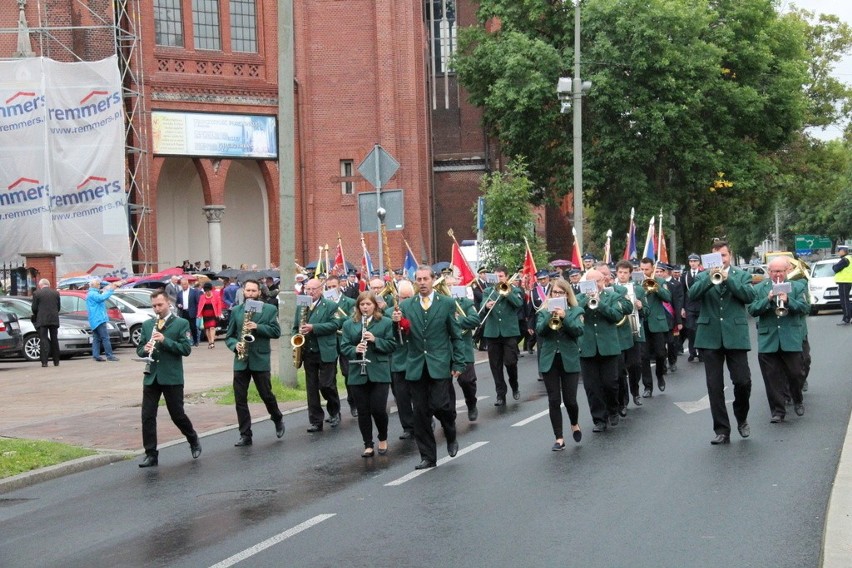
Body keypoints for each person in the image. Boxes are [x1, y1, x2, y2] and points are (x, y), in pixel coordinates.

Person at [393, 265, 465, 470]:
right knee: (421, 414)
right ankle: (428, 456)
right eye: (419, 279)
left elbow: (455, 335)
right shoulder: (407, 306)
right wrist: (396, 324)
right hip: (416, 365)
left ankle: (450, 433)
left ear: (433, 280)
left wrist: (458, 362)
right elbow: (400, 337)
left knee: (442, 406)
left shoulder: (447, 304)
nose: (422, 282)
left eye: (426, 279)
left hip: (440, 363)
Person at [688, 239, 756, 445]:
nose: (720, 260)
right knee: (714, 386)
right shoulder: (702, 276)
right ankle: (722, 430)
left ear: (730, 256)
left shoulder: (742, 275)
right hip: (709, 336)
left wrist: (727, 279)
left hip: (735, 334)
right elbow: (693, 295)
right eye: (715, 257)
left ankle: (741, 417)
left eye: (723, 256)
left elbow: (749, 296)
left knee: (743, 381)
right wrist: (710, 277)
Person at [136, 290, 201, 467]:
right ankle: (151, 454)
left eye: (160, 305)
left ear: (168, 304)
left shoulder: (181, 323)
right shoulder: (149, 324)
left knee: (177, 415)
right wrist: (145, 349)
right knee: (147, 416)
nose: (157, 309)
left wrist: (165, 340)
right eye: (154, 306)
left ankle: (192, 438)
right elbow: (140, 348)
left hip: (172, 376)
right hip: (152, 376)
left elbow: (186, 349)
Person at [747, 257, 810, 422]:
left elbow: (805, 308)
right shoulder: (760, 288)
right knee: (771, 377)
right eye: (774, 271)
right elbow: (752, 310)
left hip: (790, 337)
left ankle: (797, 399)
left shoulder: (797, 286)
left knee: (796, 373)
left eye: (780, 271)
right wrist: (767, 299)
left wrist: (788, 300)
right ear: (769, 272)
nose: (777, 274)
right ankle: (778, 411)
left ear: (787, 271)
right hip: (768, 339)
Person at [224, 280, 285, 446]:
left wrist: (258, 326)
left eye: (253, 291)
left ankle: (277, 417)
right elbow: (229, 336)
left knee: (266, 395)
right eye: (248, 290)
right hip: (241, 359)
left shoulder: (270, 309)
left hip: (260, 359)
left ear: (259, 292)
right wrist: (234, 345)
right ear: (243, 292)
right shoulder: (236, 310)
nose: (250, 294)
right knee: (240, 399)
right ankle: (245, 434)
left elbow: (276, 332)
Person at [340, 292, 397, 457]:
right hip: (358, 372)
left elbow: (392, 345)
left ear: (375, 305)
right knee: (363, 411)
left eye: (368, 304)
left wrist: (375, 340)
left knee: (378, 409)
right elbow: (344, 346)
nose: (365, 307)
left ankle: (383, 438)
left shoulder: (385, 322)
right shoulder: (349, 324)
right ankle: (368, 444)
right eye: (362, 305)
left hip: (379, 371)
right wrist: (355, 349)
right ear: (358, 307)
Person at [535, 279, 585, 450]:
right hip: (550, 359)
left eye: (560, 293)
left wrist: (565, 317)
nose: (557, 295)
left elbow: (578, 331)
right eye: (554, 292)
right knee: (554, 400)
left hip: (569, 358)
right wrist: (550, 314)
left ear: (567, 294)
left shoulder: (576, 310)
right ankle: (559, 438)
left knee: (570, 400)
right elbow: (540, 331)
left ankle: (574, 423)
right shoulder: (543, 311)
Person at [577, 269, 626, 432]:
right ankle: (599, 419)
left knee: (610, 383)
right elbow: (575, 314)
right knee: (592, 387)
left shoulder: (612, 296)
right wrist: (587, 299)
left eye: (597, 282)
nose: (595, 285)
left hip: (608, 347)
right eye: (591, 282)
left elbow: (617, 316)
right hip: (587, 347)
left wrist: (600, 303)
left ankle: (613, 409)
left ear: (603, 281)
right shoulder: (578, 299)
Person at [294, 278, 343, 432]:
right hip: (308, 351)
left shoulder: (330, 305)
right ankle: (316, 420)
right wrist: (297, 335)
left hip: (326, 351)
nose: (310, 292)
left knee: (326, 384)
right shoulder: (301, 306)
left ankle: (334, 411)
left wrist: (313, 328)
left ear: (321, 290)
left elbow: (336, 324)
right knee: (311, 387)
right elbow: (295, 326)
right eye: (307, 289)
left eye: (313, 289)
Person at [481, 265, 525, 406]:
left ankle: (514, 384)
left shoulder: (514, 290)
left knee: (510, 362)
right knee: (495, 365)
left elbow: (518, 303)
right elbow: (482, 305)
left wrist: (506, 293)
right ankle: (501, 394)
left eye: (501, 276)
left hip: (509, 332)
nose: (498, 279)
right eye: (496, 276)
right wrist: (487, 305)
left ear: (506, 277)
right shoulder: (488, 291)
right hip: (492, 333)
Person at [444, 274, 481, 421]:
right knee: (444, 385)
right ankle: (449, 414)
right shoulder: (441, 303)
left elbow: (475, 319)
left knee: (468, 381)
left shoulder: (465, 302)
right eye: (447, 285)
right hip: (445, 349)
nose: (450, 288)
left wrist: (457, 320)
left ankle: (471, 404)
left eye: (453, 285)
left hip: (463, 347)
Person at [638, 258, 672, 396]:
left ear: (652, 268)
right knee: (644, 356)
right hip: (642, 323)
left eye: (646, 269)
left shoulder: (661, 281)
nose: (644, 272)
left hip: (657, 322)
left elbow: (668, 298)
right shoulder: (636, 283)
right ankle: (648, 386)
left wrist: (655, 287)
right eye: (642, 269)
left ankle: (660, 375)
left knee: (660, 353)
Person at [388, 280, 416, 438]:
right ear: (397, 297)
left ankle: (424, 419)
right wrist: (394, 323)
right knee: (402, 396)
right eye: (402, 298)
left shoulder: (418, 309)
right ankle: (408, 427)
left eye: (408, 297)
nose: (405, 301)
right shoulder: (390, 313)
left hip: (416, 357)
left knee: (420, 394)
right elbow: (388, 335)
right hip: (399, 360)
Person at [86, 278, 120, 362]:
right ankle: (109, 355)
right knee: (105, 338)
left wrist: (110, 284)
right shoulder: (93, 294)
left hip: (94, 319)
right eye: (98, 284)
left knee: (97, 338)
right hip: (99, 318)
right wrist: (111, 289)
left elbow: (104, 285)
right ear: (94, 285)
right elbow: (102, 298)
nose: (99, 286)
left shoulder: (91, 293)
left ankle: (96, 355)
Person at [31, 278, 61, 367]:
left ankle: (44, 362)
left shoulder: (37, 293)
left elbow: (34, 308)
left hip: (42, 319)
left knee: (43, 339)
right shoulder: (56, 293)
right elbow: (58, 307)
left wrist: (37, 314)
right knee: (54, 339)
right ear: (48, 284)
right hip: (54, 319)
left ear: (40, 285)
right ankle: (56, 361)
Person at [680, 253, 703, 362]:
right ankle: (692, 352)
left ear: (699, 262)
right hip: (689, 306)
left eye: (695, 261)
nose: (693, 263)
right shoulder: (684, 275)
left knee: (701, 329)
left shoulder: (704, 274)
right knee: (690, 329)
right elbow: (682, 292)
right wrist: (682, 308)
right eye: (691, 261)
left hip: (701, 306)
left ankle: (702, 352)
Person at [175, 277, 201, 347]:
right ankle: (187, 341)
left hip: (192, 312)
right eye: (182, 285)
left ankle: (195, 341)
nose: (184, 286)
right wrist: (178, 305)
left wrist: (198, 312)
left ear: (188, 284)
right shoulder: (179, 293)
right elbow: (176, 303)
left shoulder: (194, 292)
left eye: (185, 284)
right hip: (183, 312)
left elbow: (197, 302)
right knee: (185, 328)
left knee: (193, 327)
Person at [196, 281, 223, 348]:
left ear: (211, 290)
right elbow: (199, 306)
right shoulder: (202, 297)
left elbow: (219, 304)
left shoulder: (216, 295)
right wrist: (199, 314)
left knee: (212, 327)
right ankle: (210, 341)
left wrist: (219, 313)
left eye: (208, 291)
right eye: (206, 291)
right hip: (205, 314)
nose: (207, 292)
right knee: (207, 329)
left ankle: (212, 342)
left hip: (213, 314)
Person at [832, 245, 852, 325]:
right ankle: (848, 317)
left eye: (839, 250)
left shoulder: (845, 260)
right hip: (847, 282)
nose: (838, 252)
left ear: (843, 251)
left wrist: (834, 266)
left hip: (844, 282)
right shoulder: (849, 258)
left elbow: (836, 268)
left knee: (844, 301)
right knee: (846, 300)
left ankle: (846, 318)